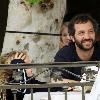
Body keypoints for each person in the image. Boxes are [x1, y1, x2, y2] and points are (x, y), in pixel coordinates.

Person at [51, 14, 100, 84]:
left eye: (90, 31)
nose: (87, 37)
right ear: (72, 38)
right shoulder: (65, 53)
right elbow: (55, 79)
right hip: (72, 94)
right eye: (81, 33)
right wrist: (83, 86)